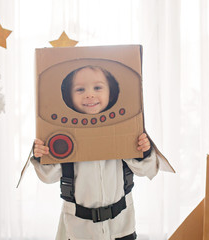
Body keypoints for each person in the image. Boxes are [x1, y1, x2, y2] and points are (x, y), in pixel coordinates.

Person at [31, 65, 159, 240]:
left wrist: (144, 150)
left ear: (111, 92)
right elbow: (48, 177)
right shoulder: (63, 136)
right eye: (80, 89)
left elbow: (146, 170)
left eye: (97, 87)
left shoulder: (124, 130)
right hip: (78, 230)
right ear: (68, 95)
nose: (89, 94)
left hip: (120, 226)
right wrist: (42, 155)